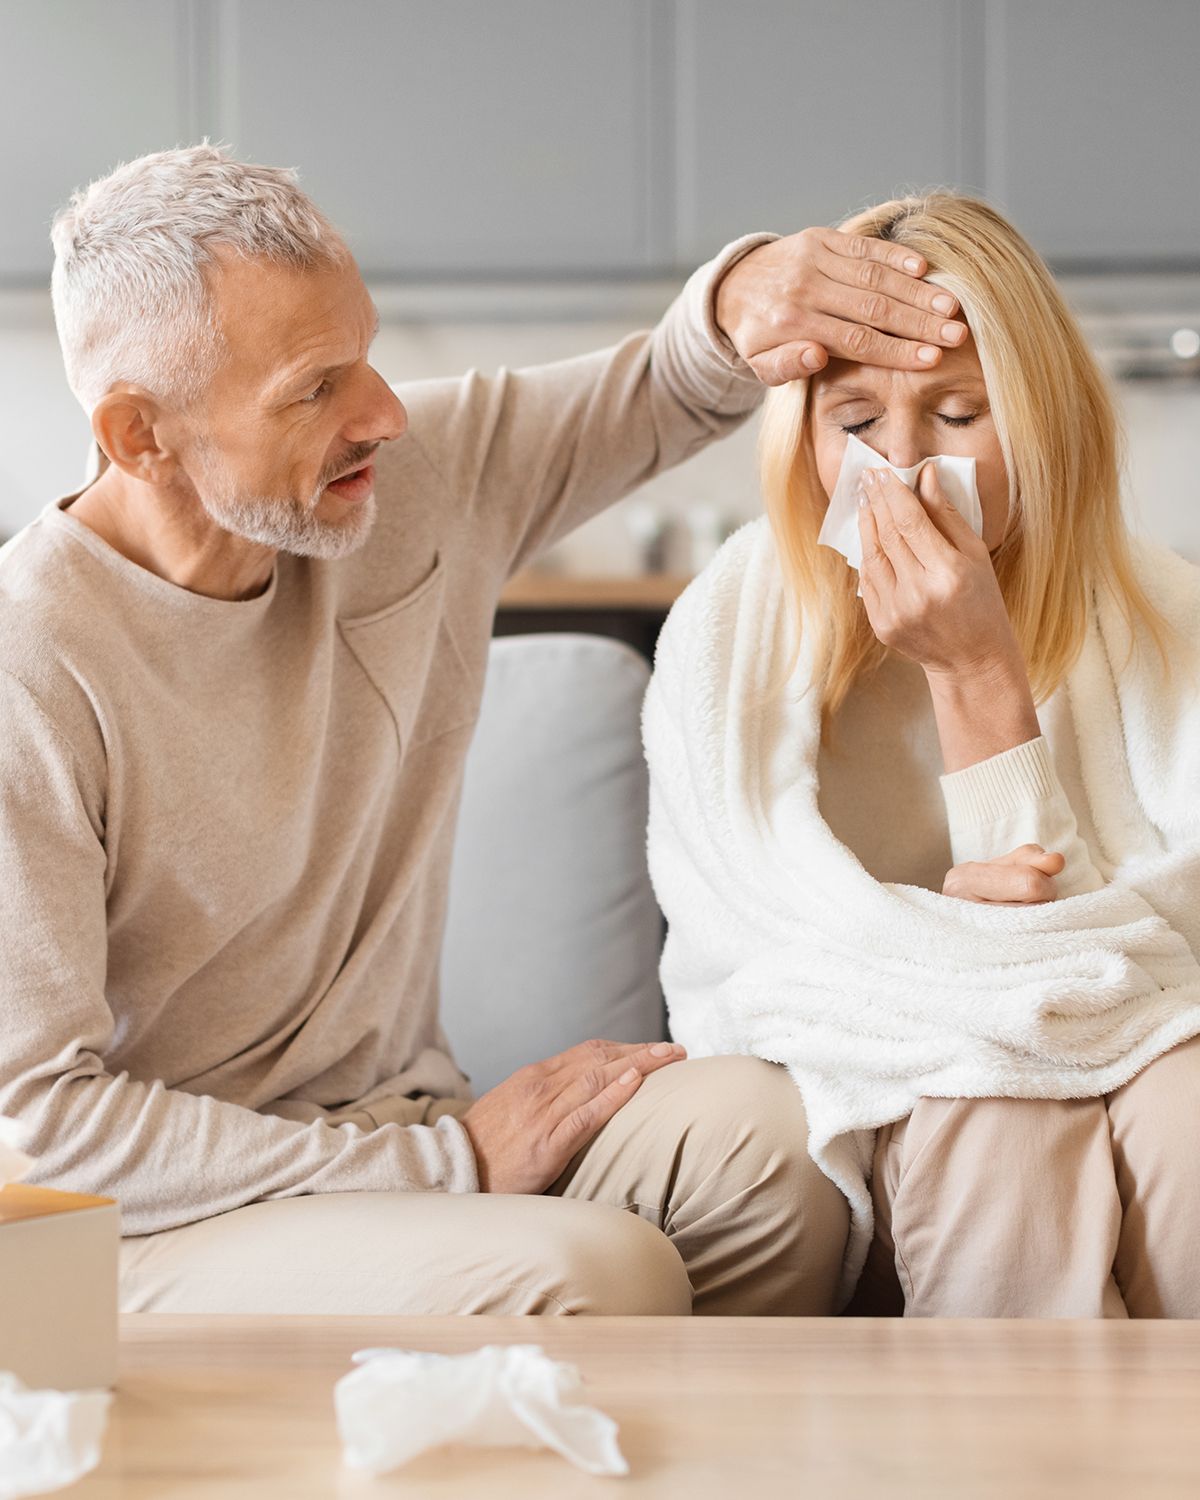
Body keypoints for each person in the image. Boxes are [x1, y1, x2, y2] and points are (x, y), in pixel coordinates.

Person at [0, 146, 968, 1317]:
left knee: (773, 1147)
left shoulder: (402, 485)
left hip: (398, 1138)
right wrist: (448, 1167)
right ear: (140, 436)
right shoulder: (31, 669)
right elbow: (35, 1131)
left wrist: (740, 296)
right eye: (314, 389)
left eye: (365, 354)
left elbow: (667, 384)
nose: (383, 413)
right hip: (113, 1236)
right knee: (587, 1274)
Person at [643, 192, 1200, 1318]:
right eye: (855, 423)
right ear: (801, 434)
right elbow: (756, 964)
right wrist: (978, 947)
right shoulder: (729, 633)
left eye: (958, 416)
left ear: (1040, 426)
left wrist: (978, 675)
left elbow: (1177, 949)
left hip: (1139, 1037)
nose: (899, 468)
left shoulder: (1163, 614)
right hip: (866, 1055)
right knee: (989, 1108)